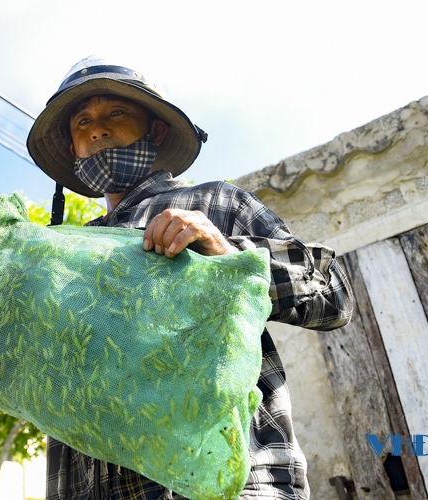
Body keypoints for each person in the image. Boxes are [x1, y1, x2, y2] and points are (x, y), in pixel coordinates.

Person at [26, 56, 354, 500]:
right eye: (82, 122)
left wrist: (224, 254)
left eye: (115, 113)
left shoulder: (215, 203)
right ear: (74, 150)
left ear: (155, 130)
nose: (97, 129)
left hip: (234, 486)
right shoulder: (61, 256)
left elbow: (334, 297)